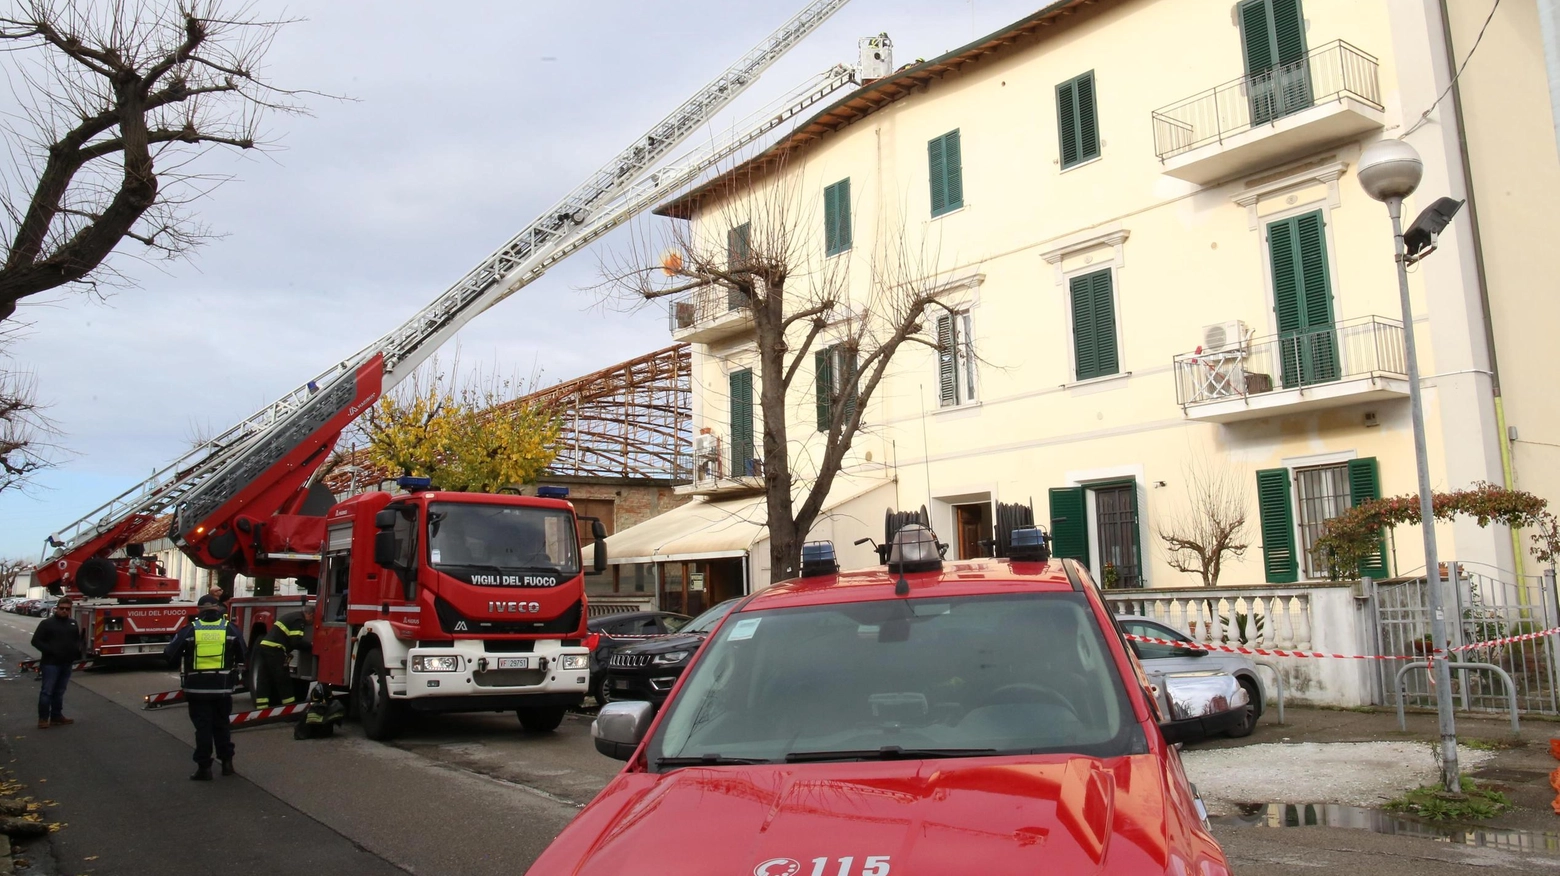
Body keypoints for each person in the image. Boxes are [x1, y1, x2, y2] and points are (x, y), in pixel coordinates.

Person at [164, 598, 246, 780]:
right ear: (218, 609)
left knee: (203, 728)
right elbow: (243, 654)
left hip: (197, 688)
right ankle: (227, 764)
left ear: (199, 610)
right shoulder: (230, 629)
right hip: (223, 688)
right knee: (222, 725)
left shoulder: (191, 629)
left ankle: (204, 768)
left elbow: (170, 654)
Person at [30, 596, 81, 730]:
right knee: (47, 691)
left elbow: (76, 639)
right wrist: (50, 651)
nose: (64, 611)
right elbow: (35, 641)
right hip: (51, 664)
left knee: (59, 691)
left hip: (66, 663)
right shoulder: (47, 624)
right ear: (56, 608)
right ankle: (43, 718)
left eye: (67, 609)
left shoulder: (73, 623)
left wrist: (76, 652)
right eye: (62, 608)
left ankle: (56, 716)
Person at [253, 603, 314, 708]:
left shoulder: (293, 616)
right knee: (283, 679)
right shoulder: (299, 620)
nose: (312, 622)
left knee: (264, 679)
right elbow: (295, 642)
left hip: (264, 647)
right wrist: (311, 646)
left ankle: (261, 707)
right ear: (310, 614)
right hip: (275, 649)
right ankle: (289, 708)